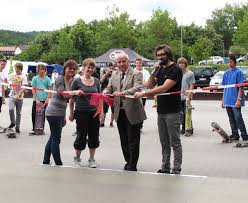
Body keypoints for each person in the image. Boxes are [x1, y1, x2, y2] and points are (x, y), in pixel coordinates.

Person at [134, 44, 183, 174]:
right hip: (161, 110)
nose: (160, 57)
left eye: (162, 54)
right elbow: (150, 84)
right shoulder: (159, 69)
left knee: (175, 142)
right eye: (158, 55)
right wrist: (154, 71)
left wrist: (144, 94)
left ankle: (176, 168)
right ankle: (165, 166)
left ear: (168, 54)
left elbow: (164, 88)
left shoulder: (176, 69)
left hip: (173, 111)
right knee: (164, 141)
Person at [103, 52, 146, 171]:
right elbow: (109, 87)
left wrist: (122, 93)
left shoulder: (137, 73)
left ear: (128, 62)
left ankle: (133, 164)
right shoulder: (114, 74)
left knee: (133, 139)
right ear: (116, 63)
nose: (121, 64)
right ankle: (128, 160)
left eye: (123, 61)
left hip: (133, 111)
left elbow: (137, 87)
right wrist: (106, 91)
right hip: (119, 111)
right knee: (124, 139)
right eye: (119, 62)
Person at [43, 59, 78, 166]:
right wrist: (76, 93)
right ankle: (58, 163)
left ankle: (46, 160)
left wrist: (63, 116)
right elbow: (64, 94)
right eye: (69, 68)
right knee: (56, 138)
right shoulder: (59, 79)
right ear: (65, 69)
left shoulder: (70, 81)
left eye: (73, 68)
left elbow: (67, 98)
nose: (71, 70)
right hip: (53, 113)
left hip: (59, 113)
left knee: (52, 137)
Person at [69, 58, 101, 168]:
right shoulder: (76, 81)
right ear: (83, 67)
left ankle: (91, 159)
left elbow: (100, 98)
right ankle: (77, 158)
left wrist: (100, 111)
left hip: (94, 113)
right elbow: (72, 98)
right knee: (81, 135)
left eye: (92, 68)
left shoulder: (96, 81)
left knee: (94, 136)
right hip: (81, 112)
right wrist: (71, 113)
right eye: (88, 67)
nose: (90, 69)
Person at [222, 54, 248, 142]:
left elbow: (241, 87)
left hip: (235, 100)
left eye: (231, 62)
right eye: (228, 62)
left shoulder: (239, 72)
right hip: (227, 99)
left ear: (235, 62)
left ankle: (244, 136)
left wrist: (238, 100)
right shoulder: (226, 73)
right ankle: (235, 134)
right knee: (231, 119)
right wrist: (223, 100)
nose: (229, 63)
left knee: (238, 118)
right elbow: (224, 88)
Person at [29, 64, 52, 135]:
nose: (42, 71)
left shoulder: (48, 79)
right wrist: (37, 100)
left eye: (43, 69)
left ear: (45, 71)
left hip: (44, 99)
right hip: (36, 99)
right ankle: (34, 129)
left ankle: (41, 129)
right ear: (37, 70)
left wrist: (47, 99)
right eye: (40, 69)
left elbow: (50, 89)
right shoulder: (35, 78)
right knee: (34, 114)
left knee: (42, 114)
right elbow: (33, 90)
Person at [7, 62, 28, 133]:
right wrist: (8, 84)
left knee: (18, 112)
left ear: (21, 69)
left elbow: (24, 87)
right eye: (15, 68)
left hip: (19, 97)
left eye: (18, 69)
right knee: (11, 109)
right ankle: (13, 122)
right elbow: (6, 79)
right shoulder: (12, 75)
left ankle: (17, 127)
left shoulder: (24, 77)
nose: (16, 70)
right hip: (12, 95)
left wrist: (18, 95)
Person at [177, 57, 195, 135]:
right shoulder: (177, 73)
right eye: (179, 63)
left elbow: (192, 85)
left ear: (185, 64)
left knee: (187, 113)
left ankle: (188, 129)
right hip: (178, 97)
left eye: (182, 63)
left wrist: (189, 95)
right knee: (180, 114)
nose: (181, 64)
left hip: (186, 97)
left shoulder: (190, 73)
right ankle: (183, 128)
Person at [100, 62, 115, 127]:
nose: (111, 69)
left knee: (113, 109)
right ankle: (102, 122)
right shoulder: (104, 73)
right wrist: (106, 73)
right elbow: (101, 81)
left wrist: (113, 73)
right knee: (104, 109)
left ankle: (111, 123)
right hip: (105, 93)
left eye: (112, 68)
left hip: (112, 94)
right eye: (110, 68)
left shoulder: (115, 74)